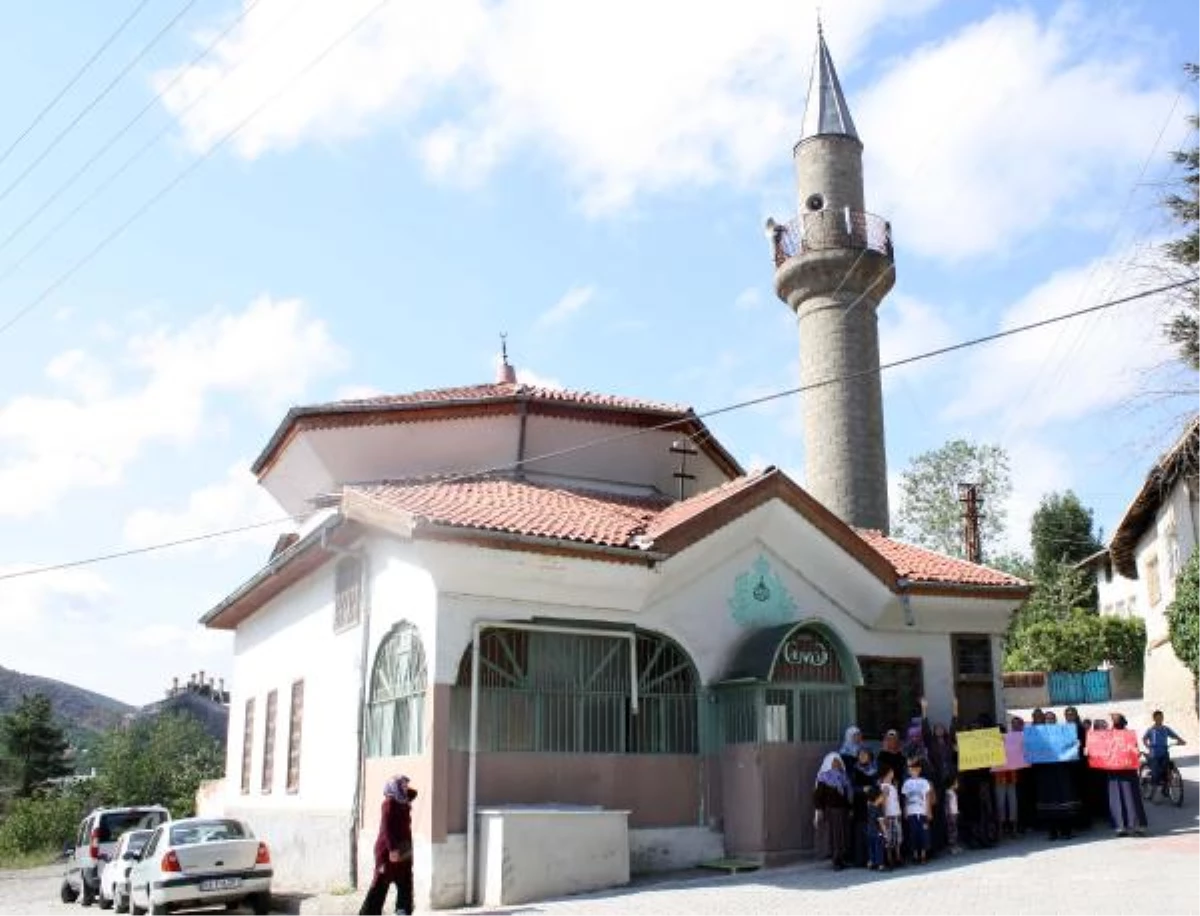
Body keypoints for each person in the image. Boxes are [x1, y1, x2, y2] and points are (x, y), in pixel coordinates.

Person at [359, 775, 417, 916]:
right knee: (380, 884)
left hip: (404, 849)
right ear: (394, 786)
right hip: (387, 851)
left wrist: (404, 787)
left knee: (406, 883)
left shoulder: (403, 801)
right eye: (402, 785)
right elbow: (387, 828)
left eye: (405, 785)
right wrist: (392, 849)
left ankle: (402, 911)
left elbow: (414, 793)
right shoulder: (389, 803)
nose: (405, 787)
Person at [1108, 713, 1148, 836]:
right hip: (1113, 771)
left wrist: (1137, 753)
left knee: (1133, 798)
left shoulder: (1129, 735)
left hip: (1128, 770)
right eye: (1114, 720)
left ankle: (1137, 826)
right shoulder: (1107, 735)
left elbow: (1134, 748)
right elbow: (1103, 750)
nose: (1115, 722)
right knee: (1116, 799)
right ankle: (1120, 827)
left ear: (1122, 722)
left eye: (1117, 720)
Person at [813, 753, 853, 870]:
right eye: (834, 761)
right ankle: (836, 861)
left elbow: (847, 795)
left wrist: (850, 808)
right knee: (835, 836)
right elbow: (818, 796)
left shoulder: (844, 777)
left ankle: (842, 858)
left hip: (843, 810)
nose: (837, 763)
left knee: (843, 835)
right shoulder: (823, 777)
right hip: (832, 811)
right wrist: (819, 809)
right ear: (829, 763)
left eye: (838, 761)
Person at [1142, 710, 1186, 799]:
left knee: (1168, 769)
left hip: (1164, 752)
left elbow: (1174, 735)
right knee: (1156, 773)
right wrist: (1148, 746)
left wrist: (1181, 740)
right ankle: (1153, 790)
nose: (1160, 719)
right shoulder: (1151, 730)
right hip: (1154, 754)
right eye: (1158, 717)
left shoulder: (1166, 729)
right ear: (1154, 719)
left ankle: (1165, 787)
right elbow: (1144, 739)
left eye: (1161, 717)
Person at [901, 757, 934, 865]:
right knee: (913, 834)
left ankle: (923, 855)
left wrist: (928, 810)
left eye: (915, 769)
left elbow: (928, 797)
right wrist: (905, 810)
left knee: (924, 833)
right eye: (910, 769)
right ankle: (915, 855)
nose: (913, 771)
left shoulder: (924, 782)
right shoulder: (906, 783)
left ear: (919, 769)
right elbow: (905, 798)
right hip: (912, 812)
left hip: (922, 812)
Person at [879, 765, 903, 869]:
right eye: (891, 772)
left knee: (897, 837)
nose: (893, 774)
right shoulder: (884, 787)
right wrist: (884, 816)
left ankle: (898, 857)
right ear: (887, 773)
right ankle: (890, 859)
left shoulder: (892, 786)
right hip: (889, 815)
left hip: (896, 814)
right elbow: (884, 802)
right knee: (889, 838)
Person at [865, 785, 889, 871]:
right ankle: (880, 865)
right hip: (878, 832)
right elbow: (881, 823)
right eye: (882, 796)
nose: (883, 798)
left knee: (871, 848)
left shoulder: (869, 807)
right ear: (877, 797)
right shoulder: (879, 810)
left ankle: (871, 863)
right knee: (879, 848)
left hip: (869, 831)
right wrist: (886, 834)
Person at [944, 775, 962, 854]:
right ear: (952, 784)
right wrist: (949, 814)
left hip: (954, 813)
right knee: (951, 831)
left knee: (955, 830)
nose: (957, 784)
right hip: (950, 815)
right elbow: (947, 805)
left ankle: (956, 846)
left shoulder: (953, 792)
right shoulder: (948, 793)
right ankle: (952, 847)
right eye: (956, 783)